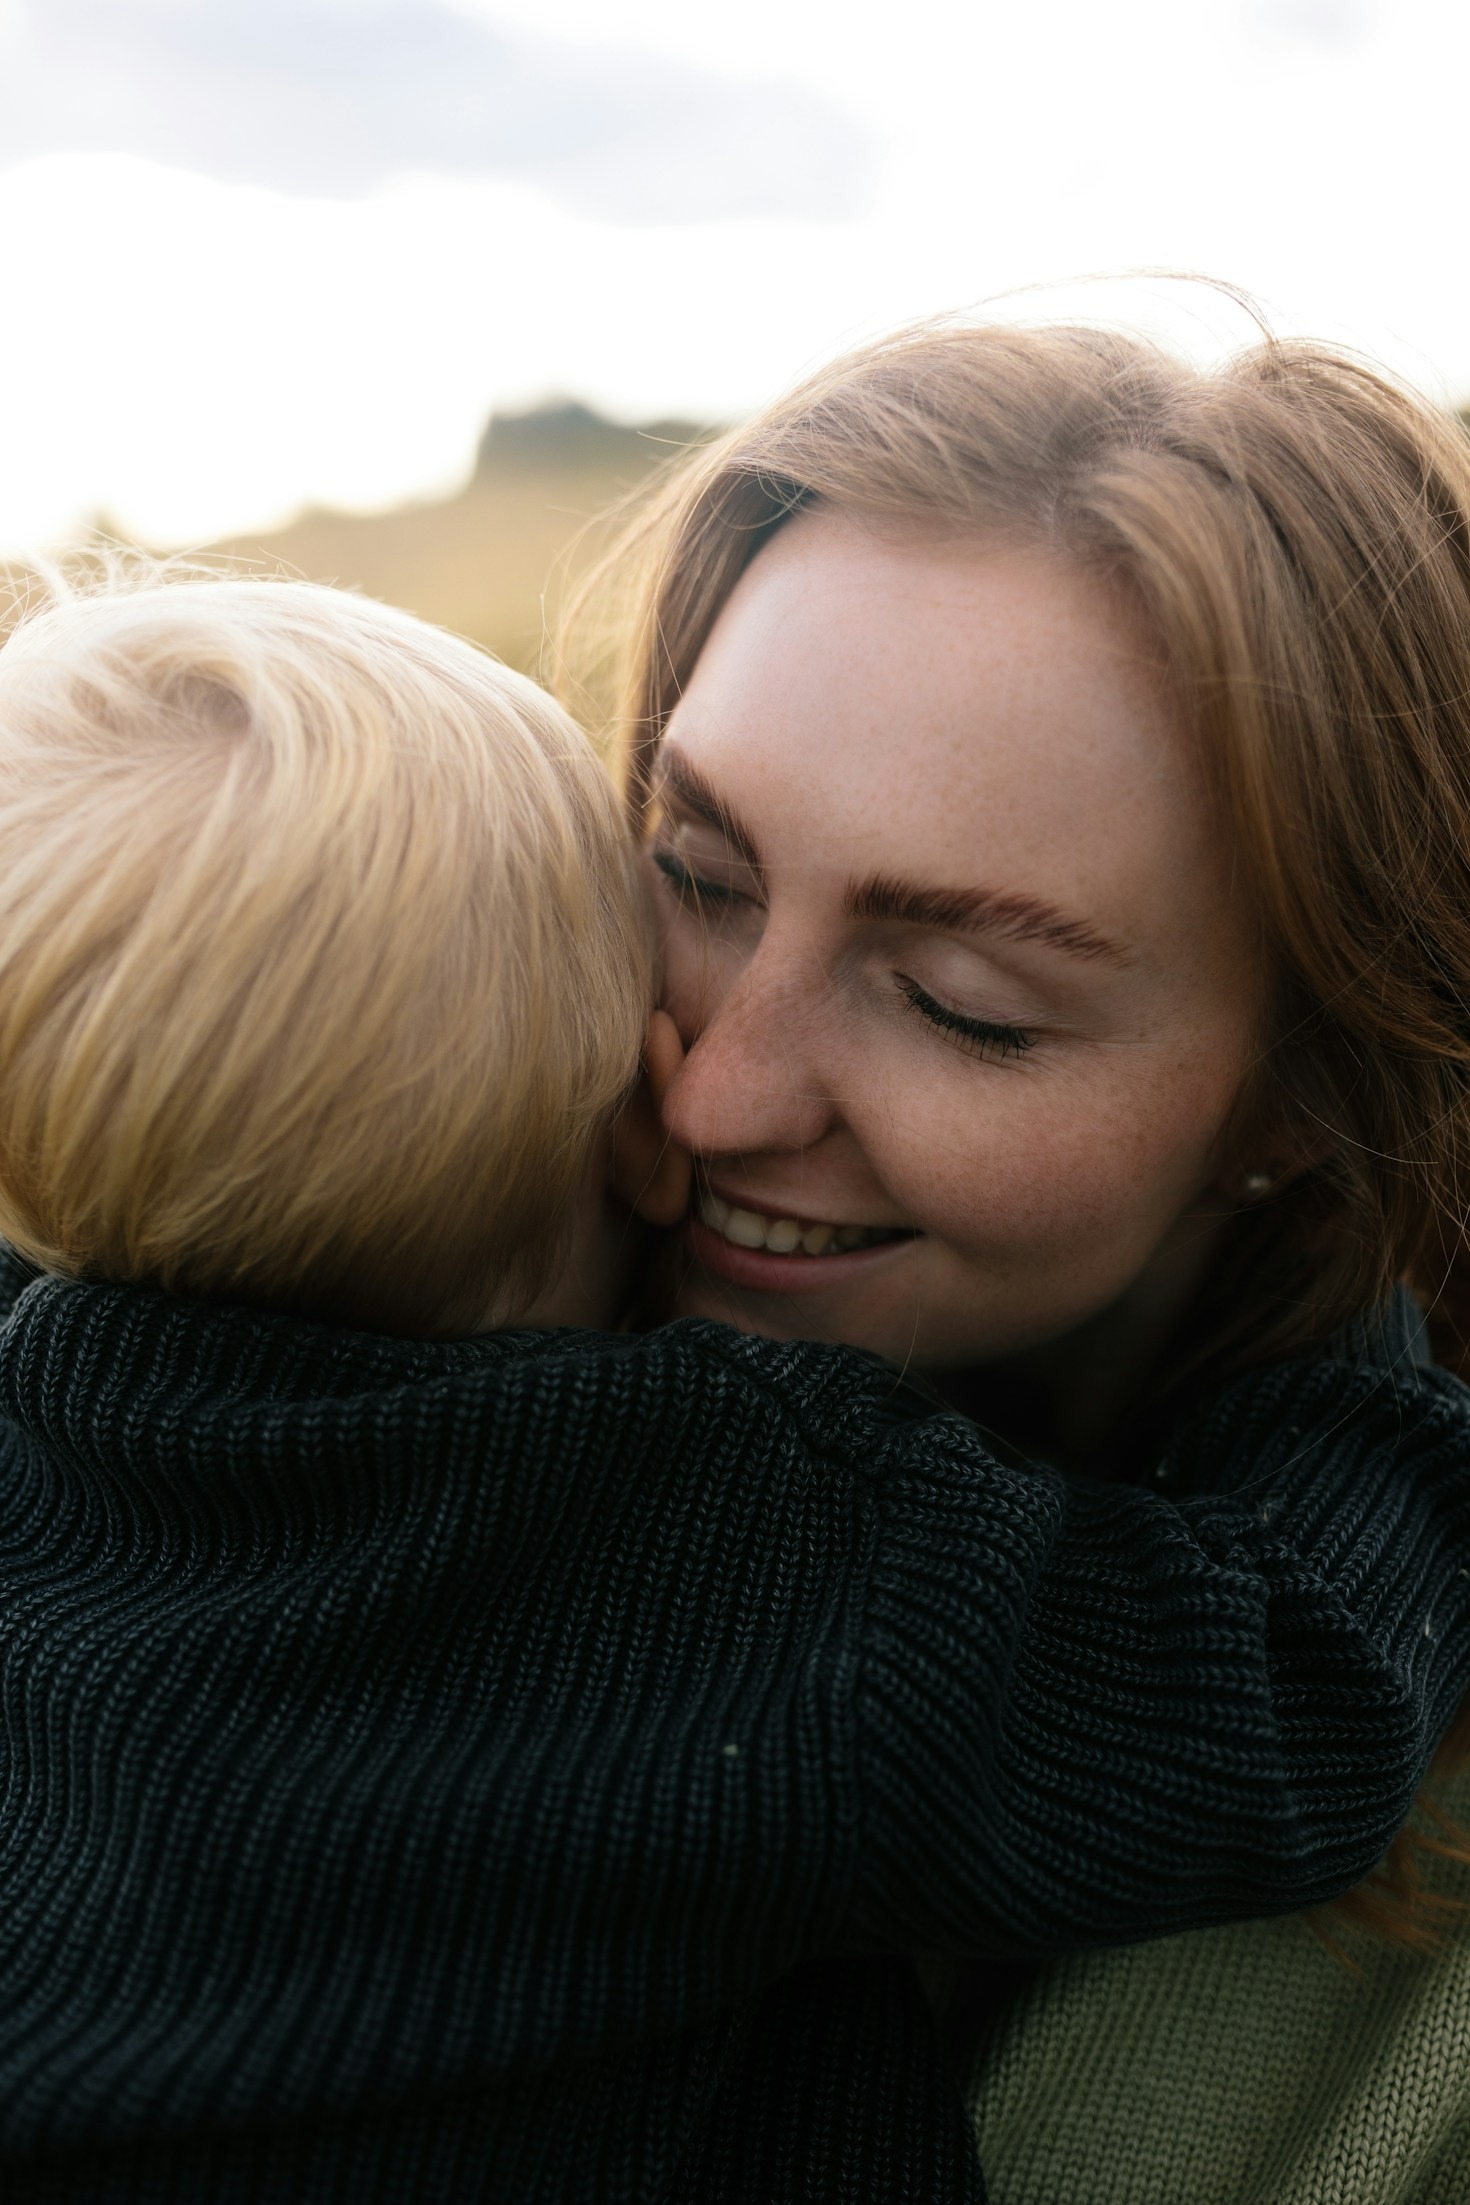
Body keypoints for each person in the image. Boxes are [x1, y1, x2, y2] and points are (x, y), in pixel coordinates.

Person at [0, 562, 1464, 2205]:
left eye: (963, 1005)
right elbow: (1296, 1694)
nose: (722, 1100)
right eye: (694, 877)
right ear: (636, 1118)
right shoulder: (735, 1543)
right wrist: (1362, 1313)